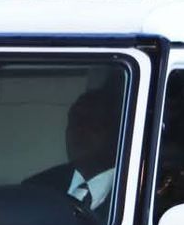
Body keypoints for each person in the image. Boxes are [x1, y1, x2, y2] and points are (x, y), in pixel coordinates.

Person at [25, 85, 123, 216]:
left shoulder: (138, 193)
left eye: (92, 124)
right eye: (73, 123)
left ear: (117, 132)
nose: (78, 132)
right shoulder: (36, 190)